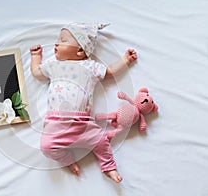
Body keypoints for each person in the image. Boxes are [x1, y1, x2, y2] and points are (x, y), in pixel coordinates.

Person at [30, 23, 137, 183]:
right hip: (56, 123)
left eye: (63, 41)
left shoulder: (90, 67)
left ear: (80, 51)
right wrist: (35, 57)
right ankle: (68, 160)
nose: (56, 43)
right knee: (46, 147)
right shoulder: (53, 65)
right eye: (58, 40)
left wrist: (125, 60)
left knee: (102, 141)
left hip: (83, 124)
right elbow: (37, 72)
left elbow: (109, 71)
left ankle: (109, 167)